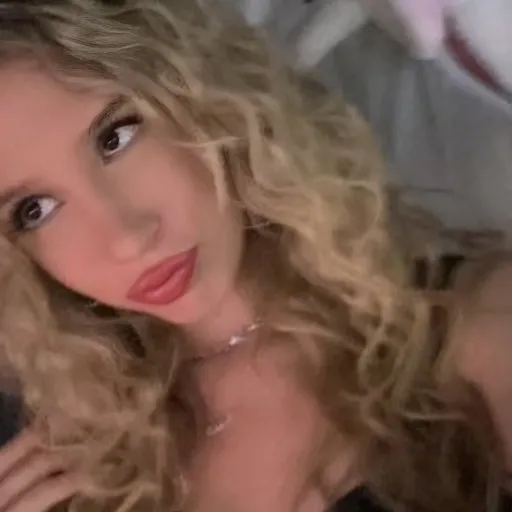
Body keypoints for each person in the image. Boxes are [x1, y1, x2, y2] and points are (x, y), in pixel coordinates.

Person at [0, 1, 508, 511]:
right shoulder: (89, 463)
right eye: (34, 210)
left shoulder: (465, 327)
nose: (126, 239)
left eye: (117, 137)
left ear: (207, 97)